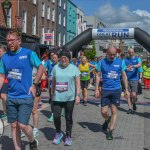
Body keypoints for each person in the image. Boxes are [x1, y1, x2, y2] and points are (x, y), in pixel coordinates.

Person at [0, 29, 44, 150]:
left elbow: (41, 68)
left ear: (19, 41)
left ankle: (32, 140)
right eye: (8, 40)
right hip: (11, 97)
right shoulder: (4, 57)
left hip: (25, 95)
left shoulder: (29, 54)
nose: (9, 43)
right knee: (14, 126)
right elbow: (2, 76)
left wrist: (34, 84)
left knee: (22, 125)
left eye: (12, 40)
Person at [95, 46, 129, 140]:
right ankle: (107, 119)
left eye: (114, 54)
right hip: (105, 90)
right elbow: (97, 75)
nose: (113, 56)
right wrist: (96, 89)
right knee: (104, 111)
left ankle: (110, 131)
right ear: (107, 53)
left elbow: (124, 75)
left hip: (116, 90)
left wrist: (126, 89)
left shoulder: (120, 62)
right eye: (111, 54)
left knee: (114, 111)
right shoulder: (101, 62)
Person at [51, 49, 81, 146]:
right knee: (56, 116)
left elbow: (78, 83)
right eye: (62, 58)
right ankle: (58, 133)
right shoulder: (56, 67)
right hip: (57, 97)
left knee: (68, 118)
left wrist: (77, 96)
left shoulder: (74, 69)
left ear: (69, 59)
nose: (63, 60)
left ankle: (68, 135)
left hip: (69, 98)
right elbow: (54, 82)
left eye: (66, 58)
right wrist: (51, 94)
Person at [124, 48, 141, 113]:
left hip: (134, 79)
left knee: (133, 95)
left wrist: (133, 66)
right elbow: (122, 67)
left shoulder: (137, 58)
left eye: (132, 52)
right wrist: (126, 67)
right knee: (128, 94)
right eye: (130, 52)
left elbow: (139, 65)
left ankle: (133, 103)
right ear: (128, 53)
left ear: (134, 52)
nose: (131, 54)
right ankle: (130, 108)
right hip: (127, 79)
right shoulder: (125, 60)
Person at [0, 44, 8, 119]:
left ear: (5, 52)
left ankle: (8, 112)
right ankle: (5, 112)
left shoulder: (6, 59)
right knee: (2, 97)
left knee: (3, 96)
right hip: (1, 79)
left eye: (0, 51)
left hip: (6, 80)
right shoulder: (1, 59)